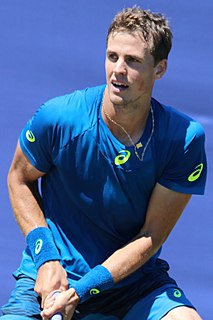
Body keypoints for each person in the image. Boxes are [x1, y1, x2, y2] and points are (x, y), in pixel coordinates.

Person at [1, 6, 207, 320]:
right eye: (112, 57)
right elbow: (18, 178)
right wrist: (46, 258)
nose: (118, 70)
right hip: (53, 276)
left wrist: (84, 289)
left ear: (160, 69)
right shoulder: (59, 117)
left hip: (134, 285)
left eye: (133, 61)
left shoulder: (184, 139)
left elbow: (151, 235)